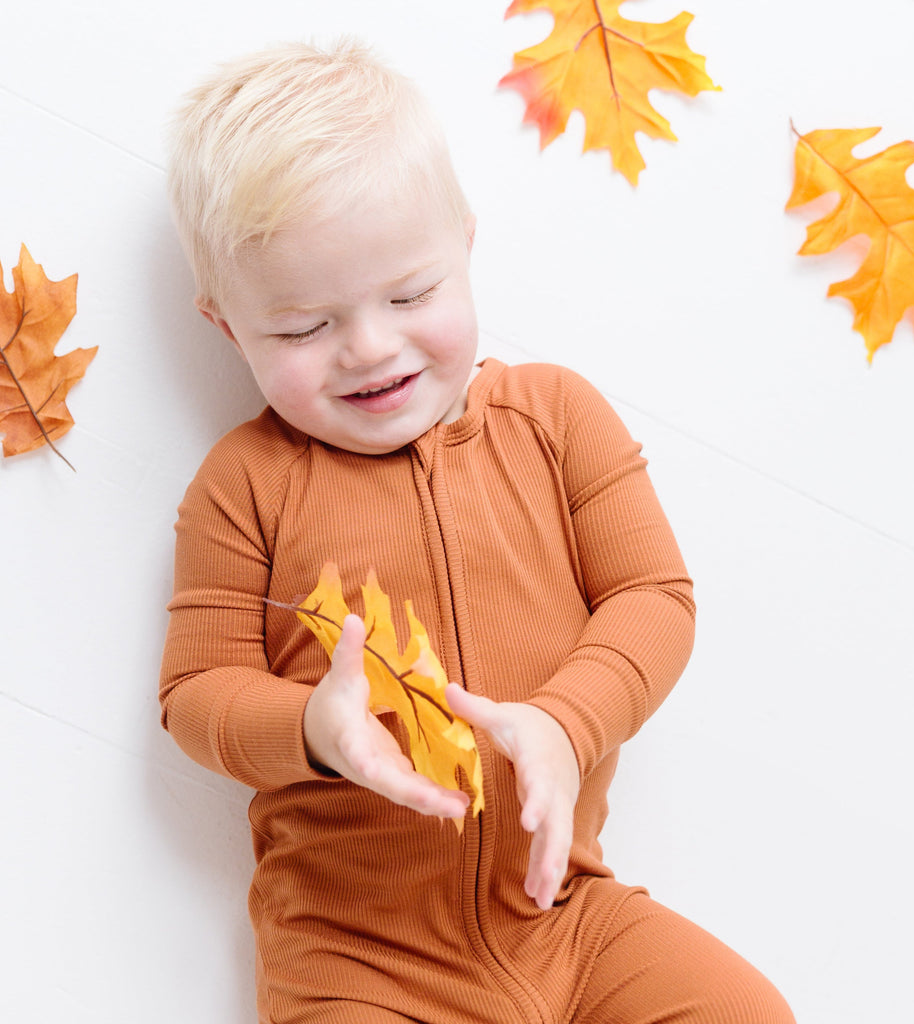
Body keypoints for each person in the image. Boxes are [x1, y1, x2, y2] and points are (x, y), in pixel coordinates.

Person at [160, 38, 795, 1024]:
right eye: (300, 328)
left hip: (564, 915)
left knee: (747, 1012)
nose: (369, 347)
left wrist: (563, 721)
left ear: (463, 242)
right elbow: (196, 693)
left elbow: (653, 600)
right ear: (225, 326)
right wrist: (312, 730)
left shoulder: (556, 418)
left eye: (409, 295)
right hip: (356, 957)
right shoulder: (246, 484)